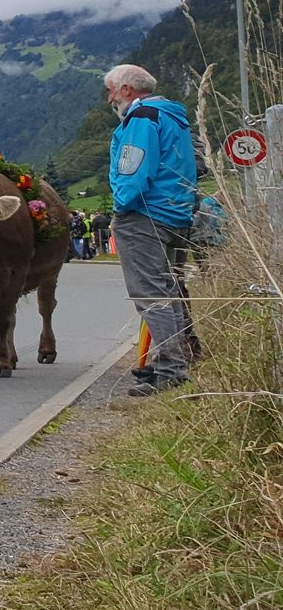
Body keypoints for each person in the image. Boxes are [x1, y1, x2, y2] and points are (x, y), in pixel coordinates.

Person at [104, 63, 198, 396]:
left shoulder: (142, 117)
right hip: (176, 213)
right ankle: (176, 358)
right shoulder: (173, 116)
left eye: (111, 90)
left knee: (150, 293)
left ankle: (172, 370)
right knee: (169, 288)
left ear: (127, 89)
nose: (110, 98)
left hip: (145, 214)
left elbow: (134, 166)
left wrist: (121, 205)